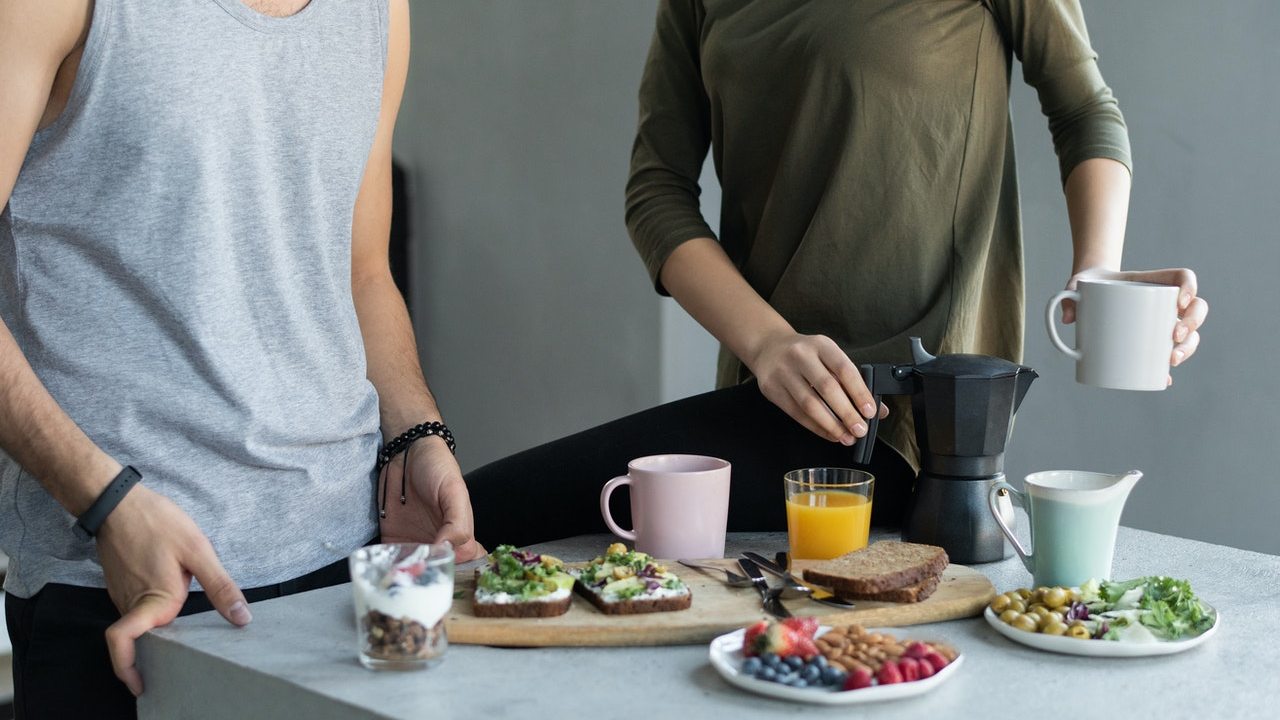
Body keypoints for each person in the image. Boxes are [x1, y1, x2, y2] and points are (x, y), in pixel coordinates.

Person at [465, 0, 1208, 548]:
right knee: (475, 523)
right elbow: (656, 192)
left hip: (915, 424)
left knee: (481, 514)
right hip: (767, 397)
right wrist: (767, 344)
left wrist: (1098, 280)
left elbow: (1085, 109)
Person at [0, 1, 481, 717]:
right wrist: (106, 502)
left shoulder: (379, 10)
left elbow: (362, 272)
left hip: (342, 564)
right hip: (128, 570)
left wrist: (416, 435)